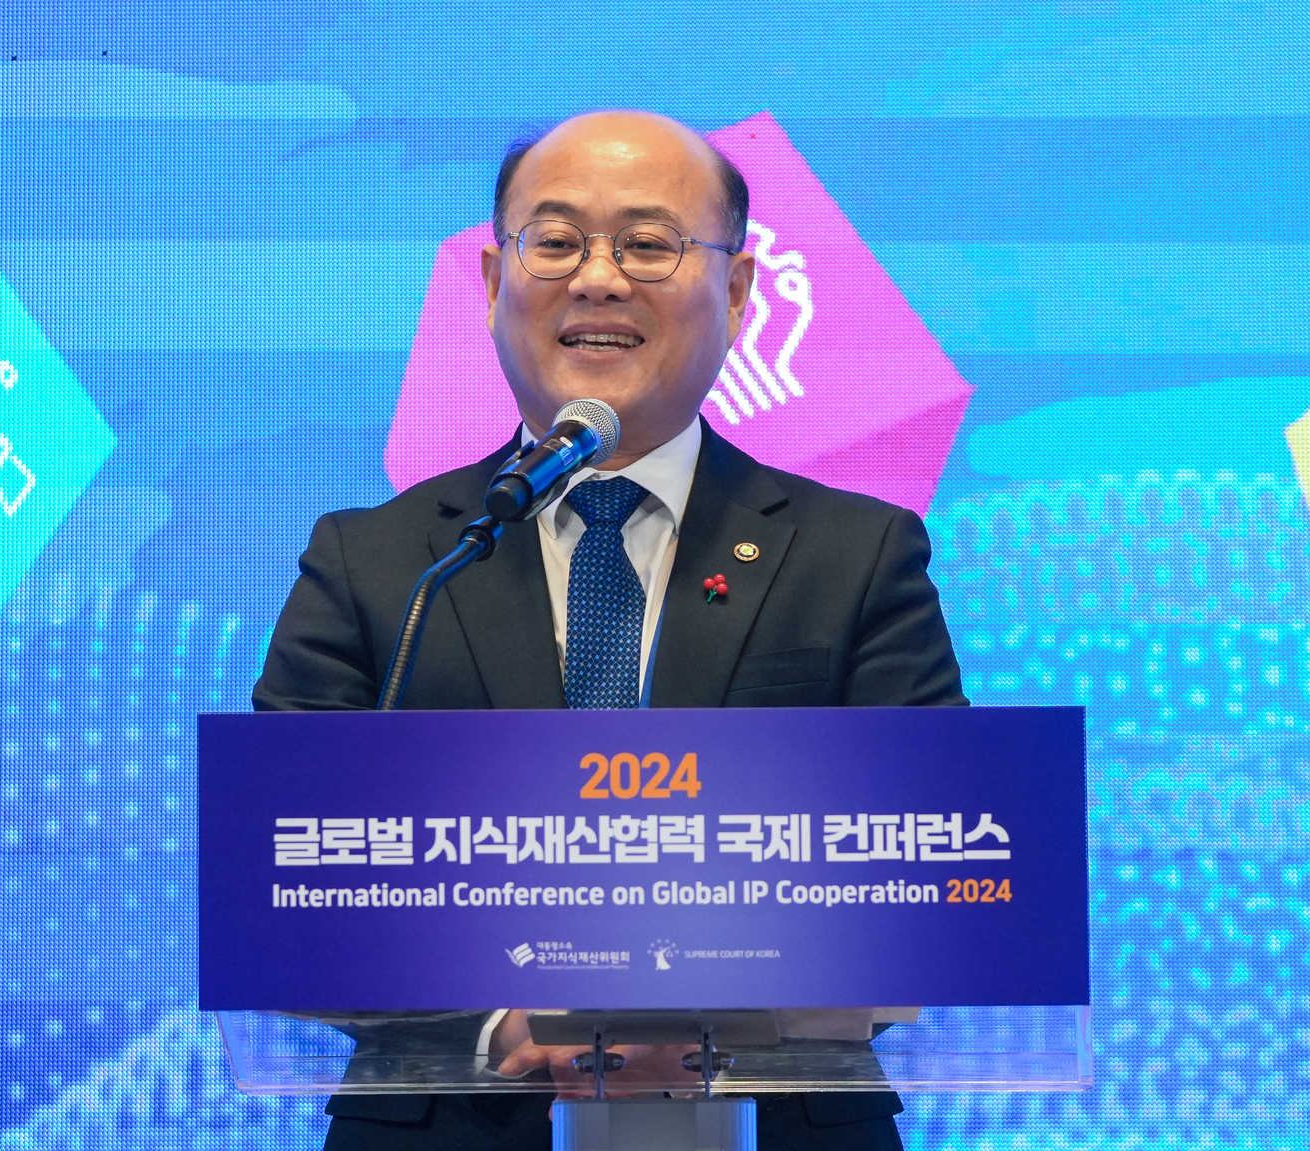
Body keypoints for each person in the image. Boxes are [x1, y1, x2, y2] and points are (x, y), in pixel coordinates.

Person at [256, 109, 966, 1151]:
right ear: (494, 284)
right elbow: (289, 892)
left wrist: (717, 1013)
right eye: (555, 242)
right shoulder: (377, 565)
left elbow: (928, 888)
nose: (598, 277)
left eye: (647, 243)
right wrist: (508, 1031)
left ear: (734, 291)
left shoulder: (855, 556)